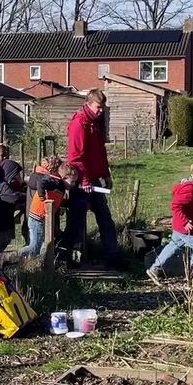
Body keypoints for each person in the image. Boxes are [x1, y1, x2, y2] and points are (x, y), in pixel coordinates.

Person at [57, 88, 121, 267]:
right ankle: (64, 256)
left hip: (94, 178)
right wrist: (84, 180)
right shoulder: (80, 123)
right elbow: (75, 156)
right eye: (98, 108)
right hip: (80, 179)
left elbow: (100, 152)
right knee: (76, 219)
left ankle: (113, 254)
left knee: (105, 217)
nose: (100, 111)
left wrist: (106, 174)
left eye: (102, 108)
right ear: (88, 104)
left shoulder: (96, 124)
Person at [146, 160, 193, 286]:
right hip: (184, 227)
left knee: (172, 246)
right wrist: (184, 222)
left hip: (181, 226)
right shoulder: (190, 188)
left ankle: (154, 269)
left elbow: (192, 203)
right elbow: (176, 205)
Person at [20, 162, 76, 259]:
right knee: (34, 247)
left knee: (43, 245)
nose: (74, 184)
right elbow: (41, 182)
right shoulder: (55, 181)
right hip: (37, 216)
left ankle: (41, 264)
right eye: (73, 181)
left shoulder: (61, 186)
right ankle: (12, 257)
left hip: (43, 218)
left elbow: (57, 197)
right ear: (64, 177)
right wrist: (42, 196)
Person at [0, 144, 24, 266]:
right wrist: (22, 196)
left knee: (6, 239)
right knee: (3, 239)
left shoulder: (6, 182)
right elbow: (12, 197)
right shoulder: (2, 183)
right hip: (1, 218)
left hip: (6, 217)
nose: (18, 177)